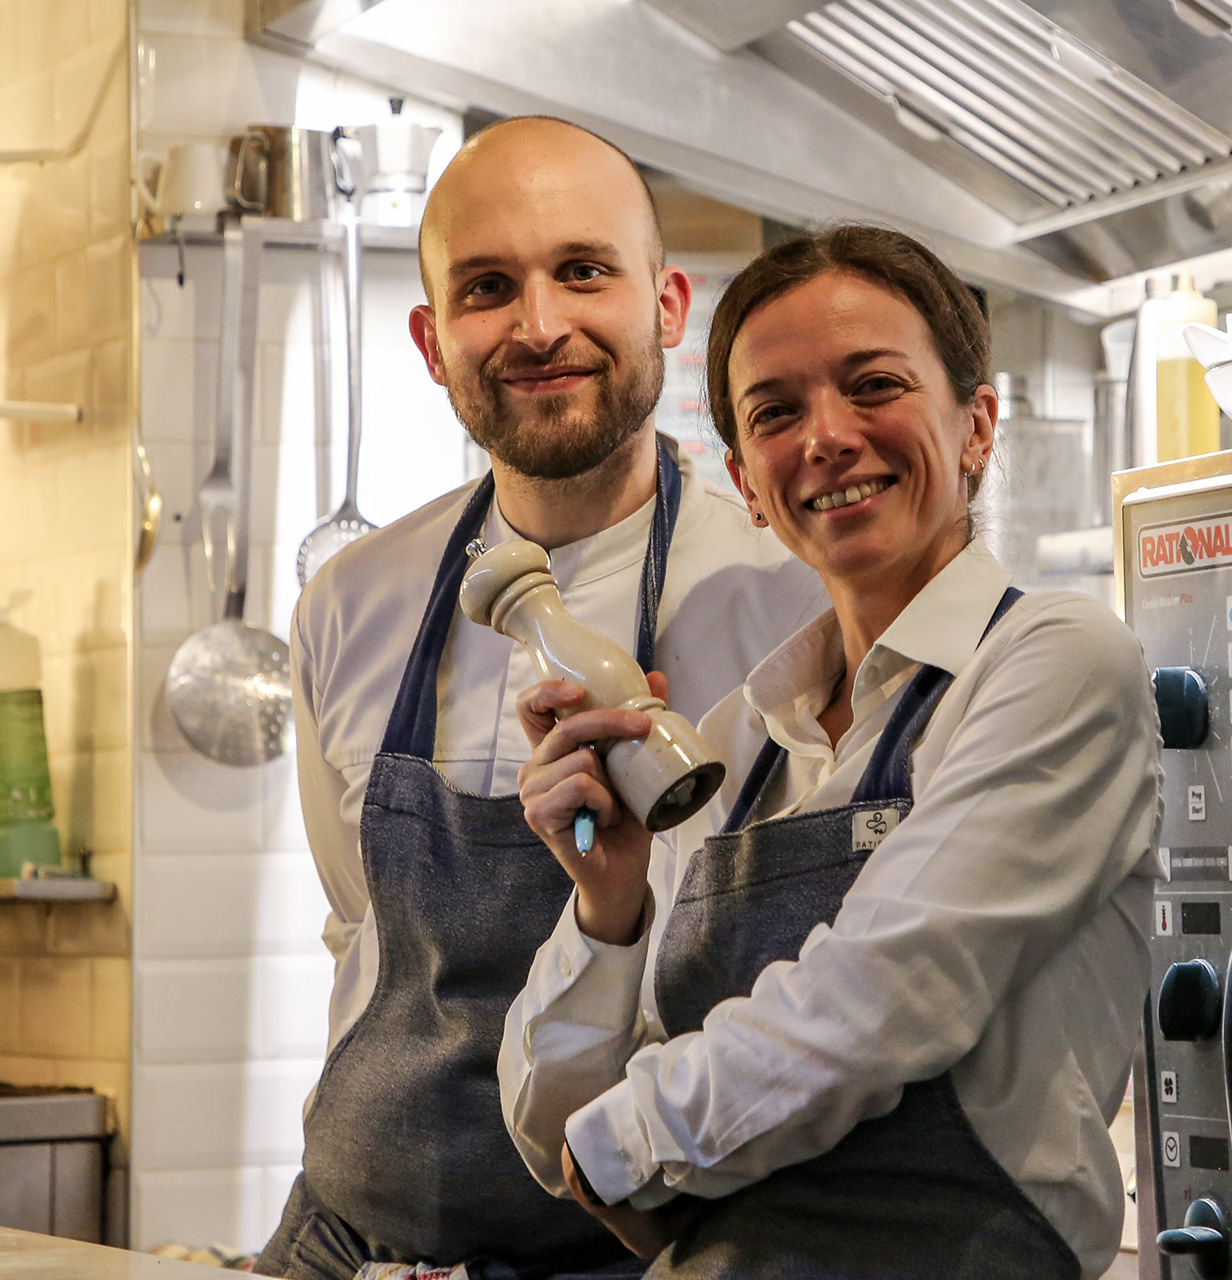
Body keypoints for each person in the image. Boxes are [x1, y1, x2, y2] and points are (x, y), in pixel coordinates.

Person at [496, 226, 1163, 1278]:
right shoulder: (738, 741)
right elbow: (553, 1135)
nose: (828, 437)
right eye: (776, 413)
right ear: (748, 486)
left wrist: (624, 1144)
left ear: (977, 426)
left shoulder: (1055, 661)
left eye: (874, 385)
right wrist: (608, 907)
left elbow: (888, 997)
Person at [255, 117, 825, 1280]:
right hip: (350, 1242)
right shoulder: (350, 604)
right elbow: (358, 927)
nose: (538, 324)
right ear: (433, 342)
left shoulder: (793, 606)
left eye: (582, 270)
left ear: (667, 306)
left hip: (642, 1252)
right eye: (486, 287)